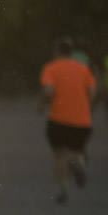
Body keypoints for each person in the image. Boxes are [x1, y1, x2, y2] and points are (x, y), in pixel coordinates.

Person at [39, 37, 96, 204]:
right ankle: (79, 164)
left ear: (56, 52)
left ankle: (63, 189)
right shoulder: (84, 69)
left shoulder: (50, 68)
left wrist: (42, 105)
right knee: (78, 150)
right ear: (72, 53)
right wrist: (85, 107)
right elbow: (92, 93)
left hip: (58, 119)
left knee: (59, 154)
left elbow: (48, 91)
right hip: (82, 120)